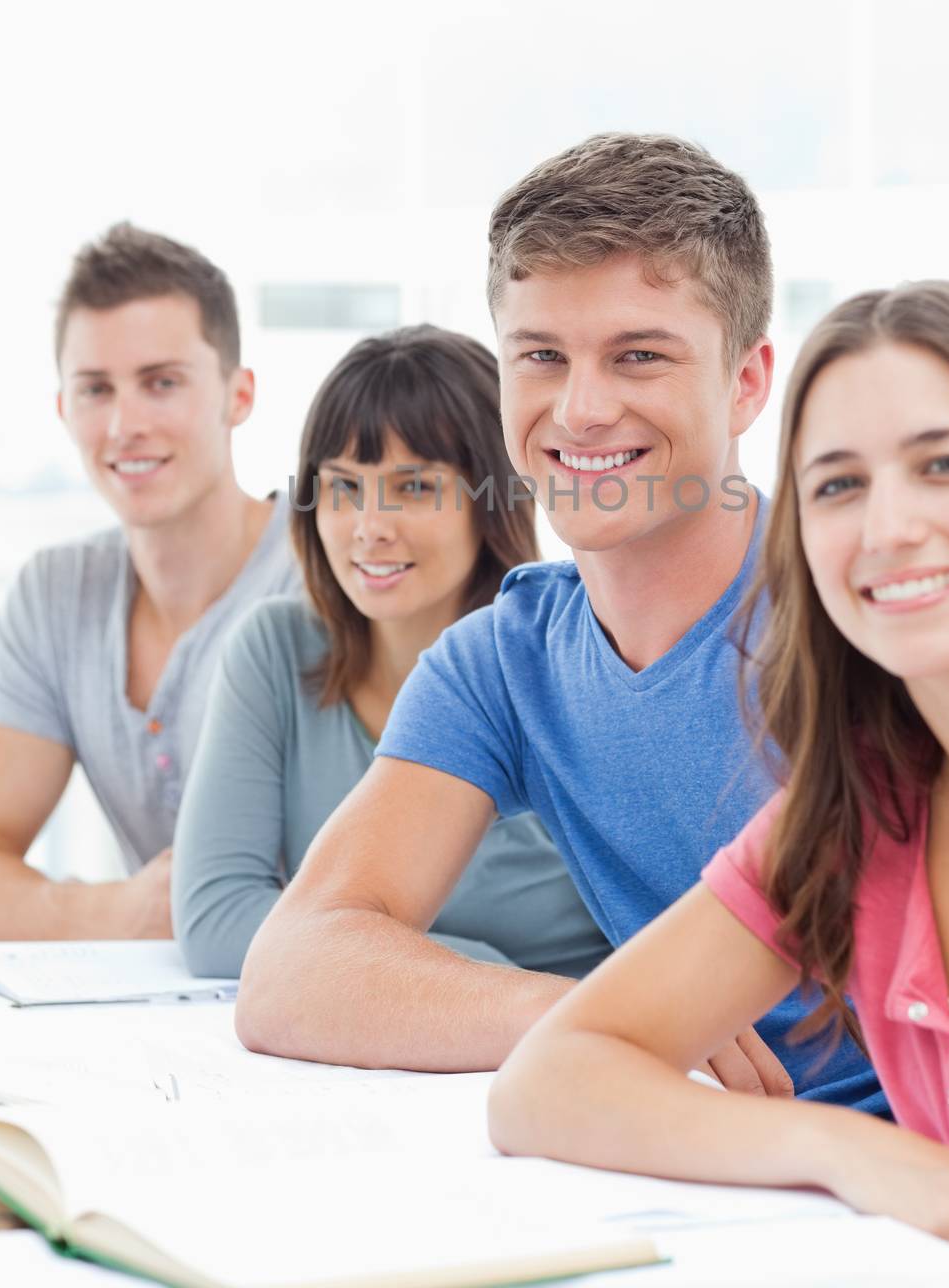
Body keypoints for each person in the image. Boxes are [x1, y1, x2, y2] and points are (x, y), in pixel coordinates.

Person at [235, 132, 883, 1113]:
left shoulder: (860, 611)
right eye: (540, 355)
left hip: (945, 1173)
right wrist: (597, 1019)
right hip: (709, 1167)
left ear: (748, 381)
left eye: (638, 355)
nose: (579, 410)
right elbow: (291, 970)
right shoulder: (503, 659)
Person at [489, 280, 949, 1288]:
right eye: (835, 485)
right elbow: (547, 1082)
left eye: (943, 466)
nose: (887, 527)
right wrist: (840, 1147)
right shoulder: (860, 813)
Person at [172, 325, 609, 982]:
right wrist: (473, 971)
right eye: (344, 488)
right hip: (398, 1051)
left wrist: (351, 952)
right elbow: (217, 918)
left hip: (567, 1056)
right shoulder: (276, 651)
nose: (370, 527)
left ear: (492, 499)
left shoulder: (579, 667)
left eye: (414, 488)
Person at [0, 223, 298, 939]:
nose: (126, 424)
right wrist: (116, 910)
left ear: (238, 395)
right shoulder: (54, 595)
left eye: (162, 383)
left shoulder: (333, 577)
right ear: (65, 410)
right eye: (96, 389)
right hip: (151, 1016)